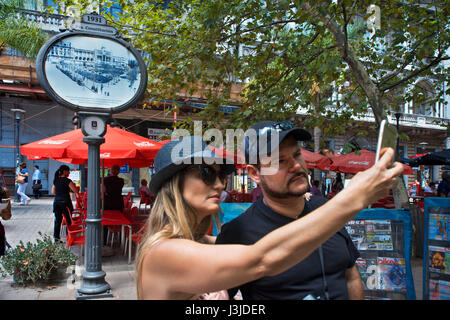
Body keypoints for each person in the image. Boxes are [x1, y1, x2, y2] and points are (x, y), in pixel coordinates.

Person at [135, 134, 402, 300]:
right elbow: (261, 259)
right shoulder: (163, 252)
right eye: (206, 174)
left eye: (221, 175)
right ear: (173, 184)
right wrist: (355, 196)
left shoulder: (199, 242)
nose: (219, 185)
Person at [216, 121, 362, 300]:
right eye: (280, 161)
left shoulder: (326, 209)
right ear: (255, 174)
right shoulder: (237, 233)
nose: (296, 166)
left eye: (297, 154)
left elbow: (351, 276)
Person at [52, 165, 78, 242]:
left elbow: (53, 192)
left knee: (57, 221)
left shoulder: (56, 180)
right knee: (68, 220)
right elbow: (75, 190)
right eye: (68, 171)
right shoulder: (67, 181)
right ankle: (69, 237)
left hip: (56, 203)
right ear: (64, 171)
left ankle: (56, 239)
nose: (69, 172)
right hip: (65, 203)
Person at [102, 164, 125, 245]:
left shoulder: (105, 180)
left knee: (105, 222)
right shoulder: (121, 181)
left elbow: (103, 190)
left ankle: (104, 241)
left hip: (108, 202)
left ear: (110, 170)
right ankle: (119, 240)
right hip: (118, 202)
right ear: (118, 171)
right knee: (119, 221)